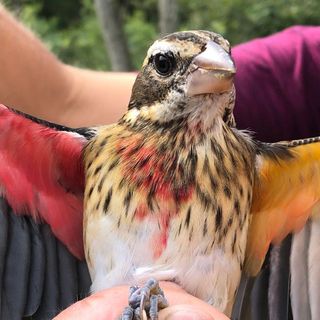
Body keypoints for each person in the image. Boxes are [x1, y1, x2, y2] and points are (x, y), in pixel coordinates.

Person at [1, 3, 320, 320]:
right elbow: (64, 95)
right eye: (166, 64)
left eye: (221, 61)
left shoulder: (273, 171)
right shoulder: (91, 154)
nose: (211, 67)